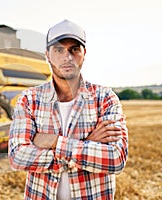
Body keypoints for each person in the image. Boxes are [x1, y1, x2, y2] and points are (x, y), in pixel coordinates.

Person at [8, 19, 128, 200]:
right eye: (58, 50)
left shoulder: (105, 98)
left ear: (84, 53)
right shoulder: (29, 99)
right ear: (47, 54)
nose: (67, 57)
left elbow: (115, 159)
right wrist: (86, 142)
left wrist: (55, 141)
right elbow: (18, 157)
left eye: (74, 49)